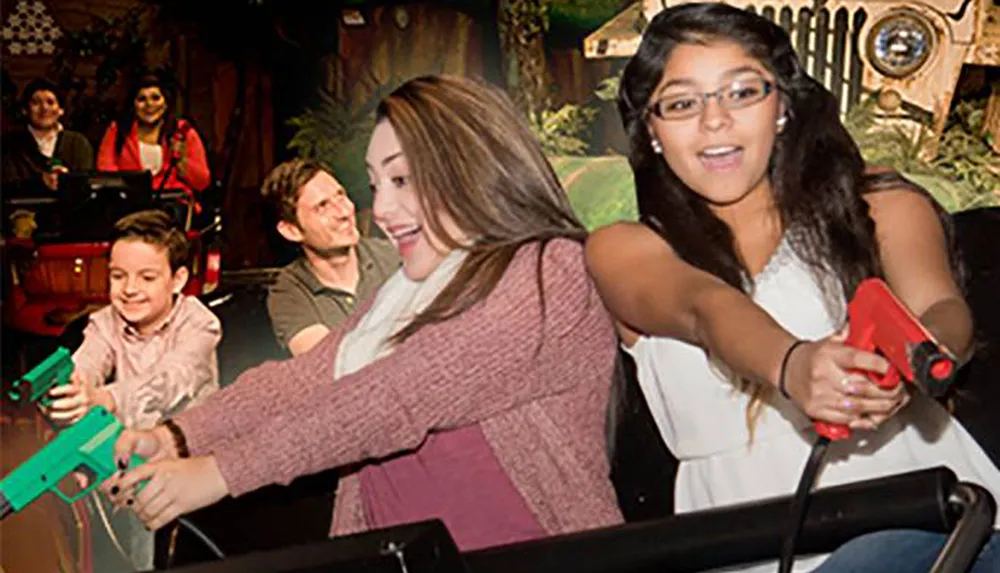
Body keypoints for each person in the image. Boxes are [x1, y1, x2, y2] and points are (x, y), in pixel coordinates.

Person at [104, 75, 623, 551]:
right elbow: (305, 379)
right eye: (376, 186)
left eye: (402, 181)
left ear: (469, 167)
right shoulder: (408, 289)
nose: (383, 209)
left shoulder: (550, 272)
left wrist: (220, 472)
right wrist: (175, 436)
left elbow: (397, 397)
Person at [585, 3, 1000, 572]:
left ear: (782, 104)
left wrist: (918, 357)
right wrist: (793, 365)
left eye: (742, 92)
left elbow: (941, 306)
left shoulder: (877, 204)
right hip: (747, 540)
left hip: (929, 520)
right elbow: (703, 307)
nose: (715, 121)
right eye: (682, 103)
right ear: (651, 131)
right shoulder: (624, 249)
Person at [46, 209, 222, 572]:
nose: (129, 290)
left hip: (188, 459)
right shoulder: (105, 321)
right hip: (123, 459)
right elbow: (87, 363)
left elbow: (173, 379)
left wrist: (107, 398)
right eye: (118, 276)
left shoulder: (200, 324)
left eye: (146, 277)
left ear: (177, 279)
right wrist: (75, 388)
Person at [261, 159, 399, 355]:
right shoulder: (290, 292)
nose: (344, 212)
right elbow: (327, 364)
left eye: (341, 195)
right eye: (322, 206)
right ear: (291, 230)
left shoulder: (397, 259)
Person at [97, 71, 211, 216]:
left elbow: (202, 182)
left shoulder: (183, 131)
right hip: (129, 207)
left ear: (166, 103)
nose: (149, 105)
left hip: (172, 208)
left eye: (155, 98)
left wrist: (182, 160)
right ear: (134, 105)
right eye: (142, 99)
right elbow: (106, 172)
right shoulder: (118, 130)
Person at [1, 78, 94, 196]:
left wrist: (68, 180)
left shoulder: (78, 143)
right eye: (36, 102)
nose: (44, 108)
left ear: (61, 110)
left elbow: (87, 184)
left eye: (50, 102)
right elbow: (7, 188)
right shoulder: (9, 145)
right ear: (25, 110)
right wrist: (40, 182)